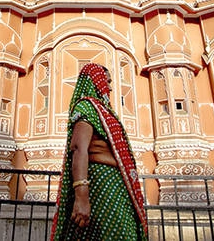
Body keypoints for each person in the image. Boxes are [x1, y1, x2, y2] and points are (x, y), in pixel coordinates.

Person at [51, 63, 148, 240]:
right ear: (94, 82)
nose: (109, 87)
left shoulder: (102, 111)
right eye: (106, 81)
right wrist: (81, 197)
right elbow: (78, 149)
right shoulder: (87, 108)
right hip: (103, 187)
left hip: (116, 188)